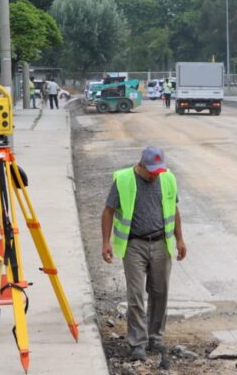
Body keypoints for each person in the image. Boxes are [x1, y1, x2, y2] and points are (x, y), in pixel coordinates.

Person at [100, 147, 187, 361]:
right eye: (152, 171)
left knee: (160, 293)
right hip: (134, 245)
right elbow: (108, 211)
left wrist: (180, 239)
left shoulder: (167, 178)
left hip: (160, 244)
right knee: (136, 295)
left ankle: (155, 338)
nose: (155, 175)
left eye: (158, 170)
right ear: (141, 165)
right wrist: (105, 242)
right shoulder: (123, 180)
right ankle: (137, 343)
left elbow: (174, 210)